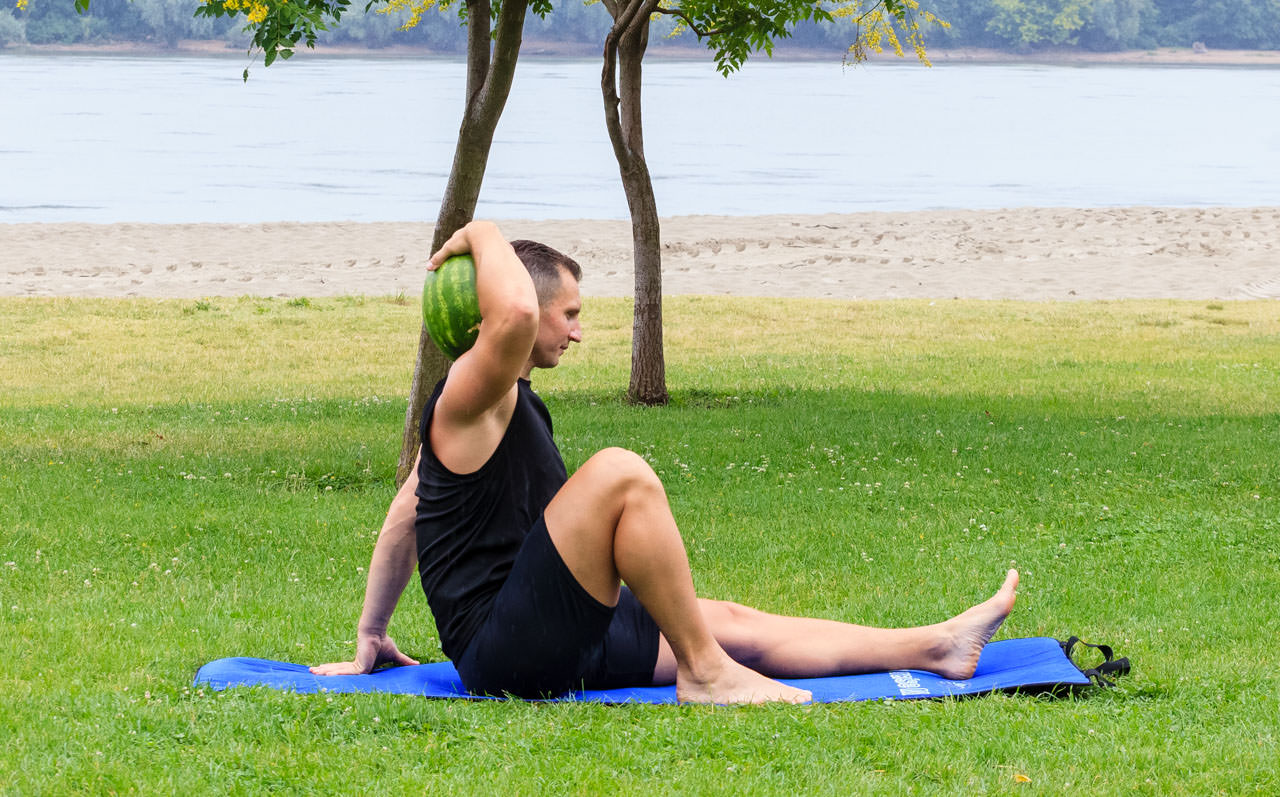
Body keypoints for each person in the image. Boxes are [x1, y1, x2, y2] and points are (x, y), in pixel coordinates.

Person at [312, 220, 1019, 704]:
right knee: (619, 470)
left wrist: (371, 632)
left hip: (552, 630)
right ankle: (707, 677)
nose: (579, 331)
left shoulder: (505, 405)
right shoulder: (466, 399)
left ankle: (936, 646)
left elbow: (405, 516)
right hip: (507, 651)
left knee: (728, 619)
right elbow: (515, 317)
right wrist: (481, 231)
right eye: (571, 313)